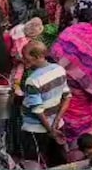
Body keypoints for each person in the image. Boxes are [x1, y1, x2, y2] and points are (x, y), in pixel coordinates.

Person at [50, 0, 92, 155]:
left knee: (66, 125)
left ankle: (67, 154)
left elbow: (55, 55)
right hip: (85, 96)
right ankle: (83, 153)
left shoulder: (66, 34)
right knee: (84, 129)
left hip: (65, 92)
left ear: (75, 14)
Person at [21, 40, 71, 168]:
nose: (24, 61)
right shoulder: (59, 69)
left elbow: (38, 110)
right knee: (57, 161)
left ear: (38, 56)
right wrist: (56, 123)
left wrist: (50, 130)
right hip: (57, 125)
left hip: (36, 129)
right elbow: (67, 97)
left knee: (35, 163)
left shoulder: (33, 80)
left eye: (27, 58)